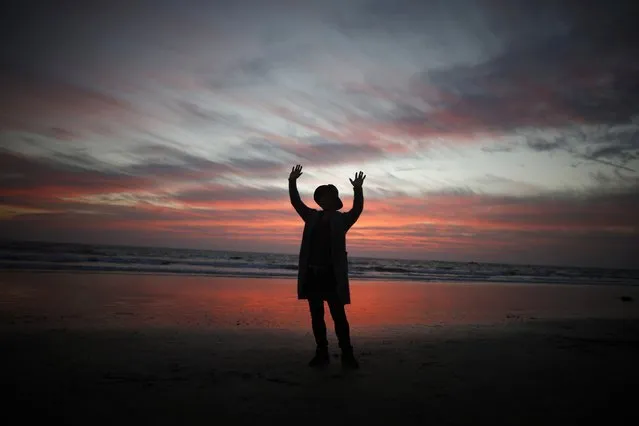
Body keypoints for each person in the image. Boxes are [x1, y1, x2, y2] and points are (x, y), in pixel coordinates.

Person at [288, 164, 365, 369]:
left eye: (330, 195)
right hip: (313, 273)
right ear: (320, 200)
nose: (326, 199)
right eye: (323, 196)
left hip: (332, 275)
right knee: (316, 316)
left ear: (334, 200)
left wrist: (358, 189)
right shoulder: (311, 216)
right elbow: (296, 203)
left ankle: (347, 353)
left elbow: (357, 209)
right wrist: (292, 181)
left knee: (338, 315)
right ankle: (321, 352)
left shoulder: (342, 220)